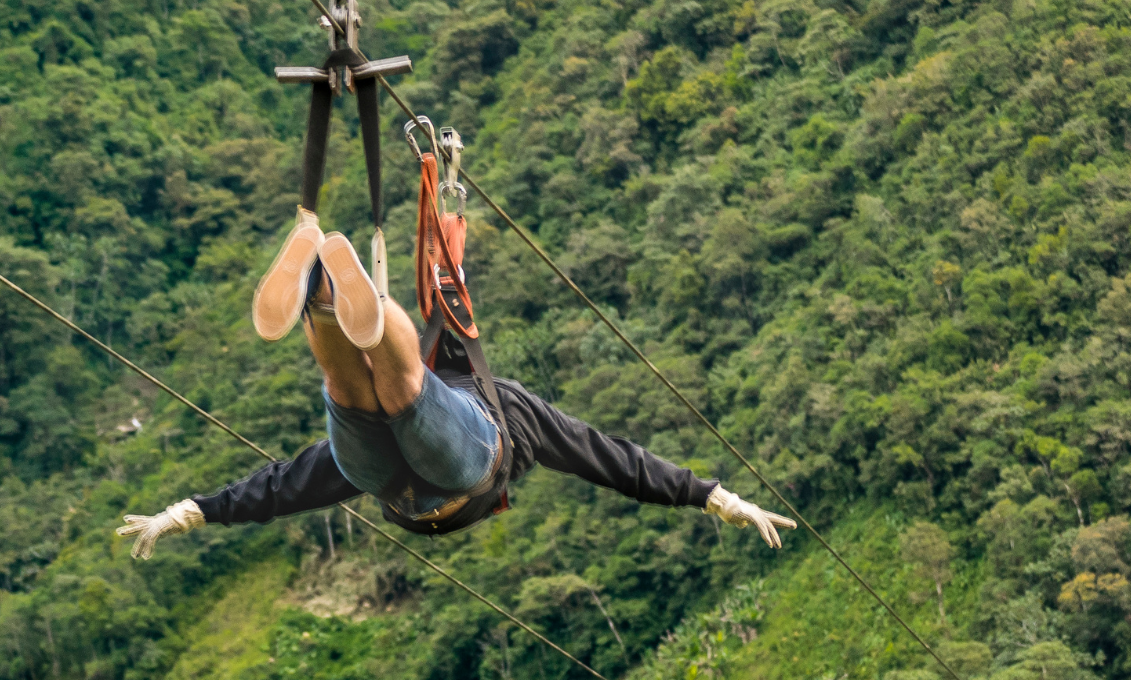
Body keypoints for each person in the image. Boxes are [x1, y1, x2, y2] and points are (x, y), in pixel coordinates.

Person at [116, 225, 796, 558]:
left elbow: (281, 486)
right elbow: (609, 459)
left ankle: (325, 303)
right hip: (445, 477)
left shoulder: (498, 399)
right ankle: (337, 303)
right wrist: (715, 498)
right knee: (388, 392)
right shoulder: (507, 408)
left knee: (359, 391)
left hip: (391, 481)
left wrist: (191, 512)